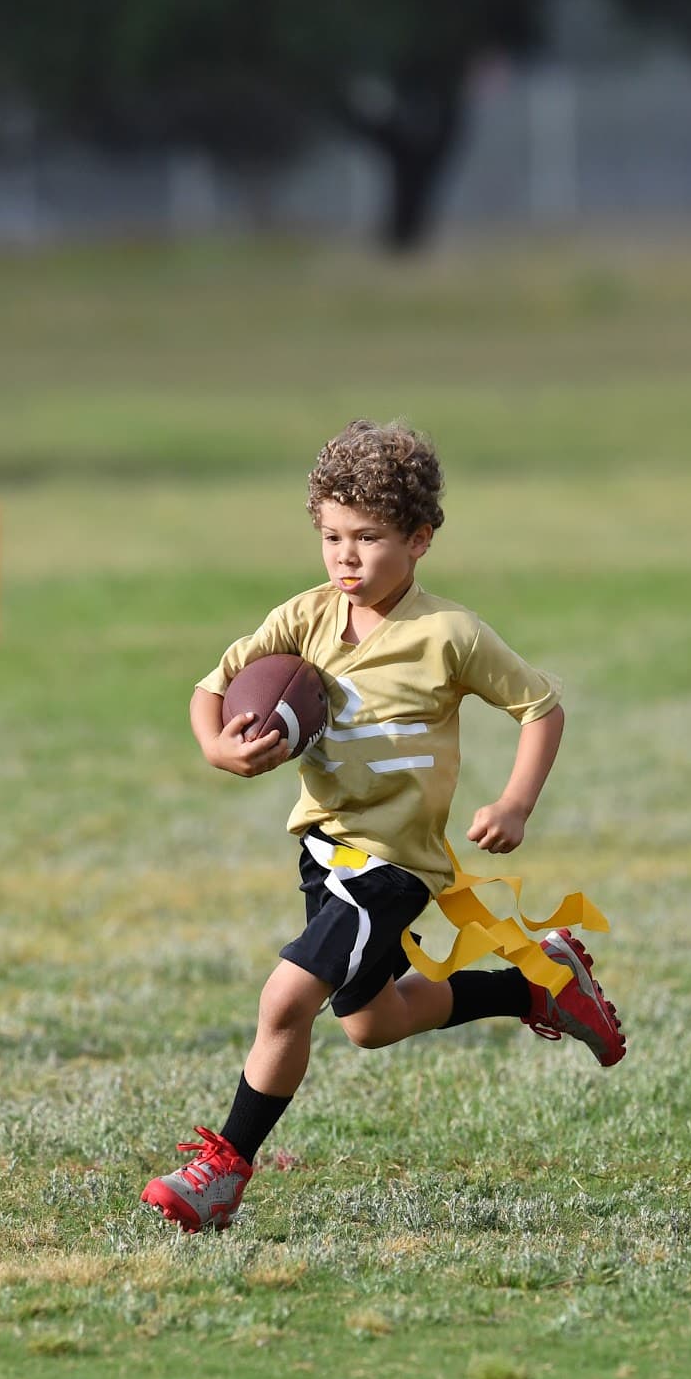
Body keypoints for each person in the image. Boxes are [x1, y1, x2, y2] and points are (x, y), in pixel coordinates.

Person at [141, 419, 624, 1232]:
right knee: (372, 1022)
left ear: (421, 538)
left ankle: (221, 1172)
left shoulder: (450, 636)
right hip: (324, 853)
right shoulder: (303, 619)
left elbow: (541, 708)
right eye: (331, 536)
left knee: (285, 1000)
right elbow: (211, 686)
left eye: (369, 537)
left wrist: (513, 804)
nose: (346, 557)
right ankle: (539, 982)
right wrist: (215, 746)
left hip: (393, 866)